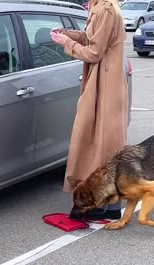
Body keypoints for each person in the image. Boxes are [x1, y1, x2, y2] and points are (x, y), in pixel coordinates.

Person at [50, 0, 128, 220]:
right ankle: (100, 199)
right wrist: (68, 35)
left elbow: (94, 52)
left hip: (105, 83)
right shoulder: (99, 8)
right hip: (100, 80)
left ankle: (108, 204)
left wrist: (67, 42)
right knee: (93, 139)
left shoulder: (106, 10)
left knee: (102, 143)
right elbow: (91, 38)